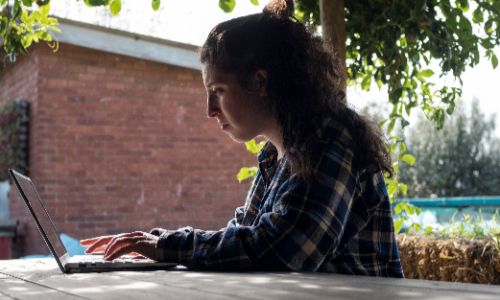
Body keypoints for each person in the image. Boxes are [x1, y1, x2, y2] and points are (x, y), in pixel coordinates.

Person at [81, 0, 404, 277]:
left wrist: (169, 246)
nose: (209, 110)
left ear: (259, 81)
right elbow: (243, 237)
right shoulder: (275, 154)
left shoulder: (331, 137)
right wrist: (159, 242)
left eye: (217, 91)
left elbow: (286, 251)